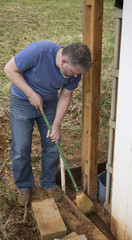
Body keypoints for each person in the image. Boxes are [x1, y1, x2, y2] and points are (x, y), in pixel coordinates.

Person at [4, 40, 92, 206]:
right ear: (63, 61)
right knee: (21, 148)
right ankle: (24, 185)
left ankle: (48, 182)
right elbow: (9, 69)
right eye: (73, 72)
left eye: (77, 74)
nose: (75, 76)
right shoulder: (39, 51)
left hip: (50, 103)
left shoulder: (75, 71)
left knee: (52, 143)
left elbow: (65, 95)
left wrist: (57, 124)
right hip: (22, 101)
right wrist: (30, 93)